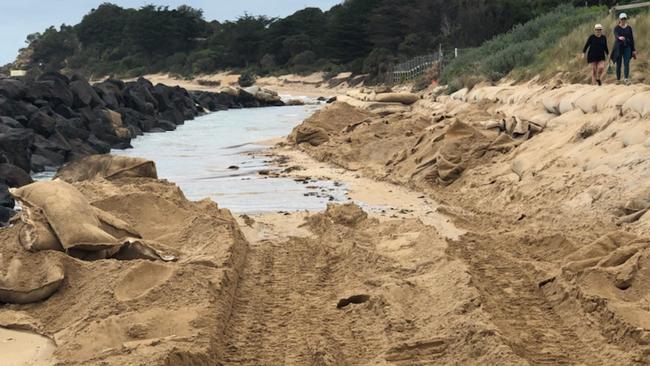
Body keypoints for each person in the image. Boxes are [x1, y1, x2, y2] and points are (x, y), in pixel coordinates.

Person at [612, 13, 637, 85]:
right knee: (618, 64)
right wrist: (619, 37)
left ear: (626, 19)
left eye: (624, 19)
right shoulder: (616, 28)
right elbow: (616, 34)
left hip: (627, 47)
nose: (623, 20)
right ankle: (618, 80)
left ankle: (626, 79)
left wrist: (634, 49)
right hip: (619, 47)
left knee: (626, 63)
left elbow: (632, 39)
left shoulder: (629, 28)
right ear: (619, 19)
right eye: (622, 19)